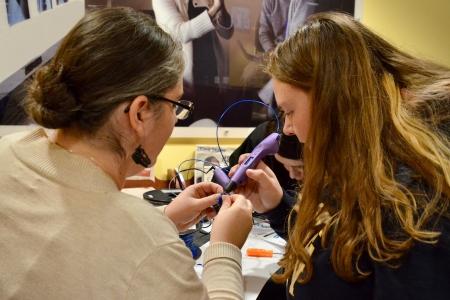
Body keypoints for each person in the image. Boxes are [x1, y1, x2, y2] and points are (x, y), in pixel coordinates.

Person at [0, 8, 253, 299]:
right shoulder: (152, 248)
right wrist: (225, 249)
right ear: (139, 113)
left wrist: (164, 218)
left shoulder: (7, 153)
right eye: (176, 105)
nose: (175, 117)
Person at [232, 12, 450, 299]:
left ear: (333, 101)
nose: (288, 128)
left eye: (290, 111)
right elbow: (340, 252)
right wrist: (276, 207)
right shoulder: (370, 172)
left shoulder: (412, 207)